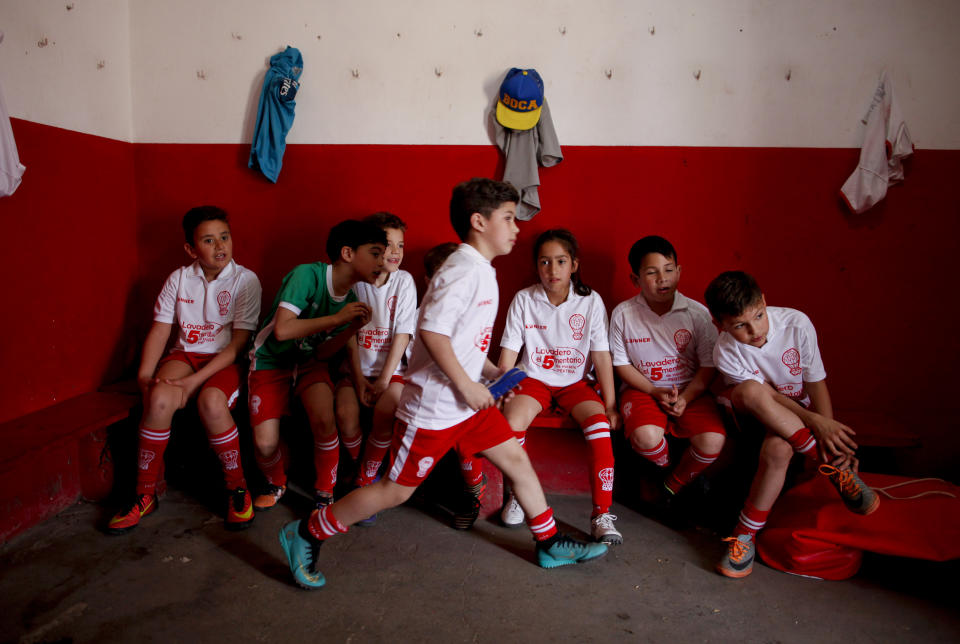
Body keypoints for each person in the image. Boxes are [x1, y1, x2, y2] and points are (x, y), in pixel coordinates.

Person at [277, 178, 608, 589]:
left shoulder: (481, 270)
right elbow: (432, 333)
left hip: (466, 405)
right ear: (479, 222)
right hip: (435, 408)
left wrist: (489, 374)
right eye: (508, 217)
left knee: (517, 462)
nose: (516, 227)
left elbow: (462, 339)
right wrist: (469, 388)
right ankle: (308, 532)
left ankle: (550, 542)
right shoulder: (461, 271)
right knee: (394, 491)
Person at [704, 270, 879, 578]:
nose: (754, 330)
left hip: (796, 420)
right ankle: (831, 466)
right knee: (749, 390)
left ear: (764, 302)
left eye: (758, 316)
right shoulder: (725, 350)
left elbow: (815, 383)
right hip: (755, 416)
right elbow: (765, 397)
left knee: (778, 450)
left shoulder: (797, 324)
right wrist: (815, 428)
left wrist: (829, 432)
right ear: (721, 325)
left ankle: (744, 535)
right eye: (740, 326)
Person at [108, 206, 262, 534]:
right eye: (209, 240)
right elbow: (162, 330)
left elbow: (236, 346)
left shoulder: (245, 281)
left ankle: (238, 488)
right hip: (186, 356)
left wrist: (192, 383)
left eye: (225, 237)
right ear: (191, 249)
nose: (220, 246)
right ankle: (145, 493)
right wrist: (144, 377)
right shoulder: (179, 279)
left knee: (211, 403)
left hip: (224, 361)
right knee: (160, 398)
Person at [247, 220, 385, 512]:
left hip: (308, 364)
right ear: (347, 253)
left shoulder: (349, 299)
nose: (382, 262)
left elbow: (322, 354)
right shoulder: (307, 275)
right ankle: (276, 482)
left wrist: (350, 328)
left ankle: (325, 493)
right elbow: (283, 331)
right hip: (271, 362)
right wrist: (338, 319)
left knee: (325, 419)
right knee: (264, 444)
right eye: (375, 253)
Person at [497, 229, 622, 544]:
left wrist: (610, 404)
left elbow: (602, 355)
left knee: (599, 427)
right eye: (545, 262)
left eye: (561, 261)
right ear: (537, 266)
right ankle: (519, 495)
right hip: (533, 379)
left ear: (574, 265)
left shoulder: (590, 301)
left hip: (575, 383)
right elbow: (509, 355)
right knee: (511, 423)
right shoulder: (525, 299)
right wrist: (500, 390)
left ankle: (601, 514)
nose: (552, 270)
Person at [608, 236, 726, 518]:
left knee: (713, 440)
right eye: (652, 272)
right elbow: (622, 365)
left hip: (690, 390)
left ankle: (670, 486)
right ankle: (669, 468)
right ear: (635, 279)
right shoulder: (623, 314)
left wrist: (685, 397)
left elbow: (709, 366)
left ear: (679, 271)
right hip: (642, 389)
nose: (663, 279)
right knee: (646, 436)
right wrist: (654, 390)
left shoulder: (697, 314)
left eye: (669, 269)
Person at [335, 213, 416, 526]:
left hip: (391, 371)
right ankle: (359, 465)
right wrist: (358, 382)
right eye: (385, 246)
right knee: (345, 415)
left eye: (400, 245)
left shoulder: (404, 282)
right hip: (354, 370)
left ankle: (366, 479)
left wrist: (383, 380)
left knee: (388, 408)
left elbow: (402, 335)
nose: (394, 252)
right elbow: (350, 337)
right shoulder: (354, 281)